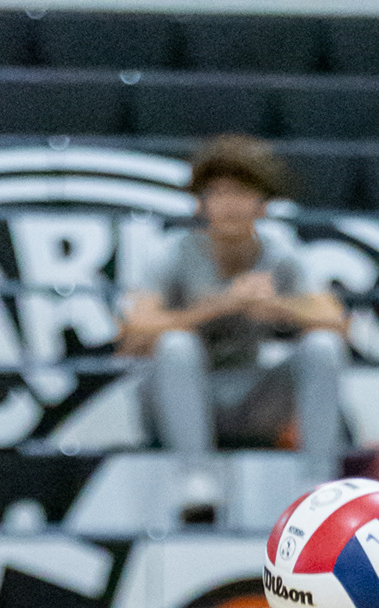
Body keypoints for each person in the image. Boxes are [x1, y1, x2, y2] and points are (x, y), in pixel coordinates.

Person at [119, 135, 348, 523]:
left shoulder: (281, 253)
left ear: (263, 204)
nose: (229, 205)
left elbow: (338, 324)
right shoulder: (172, 253)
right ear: (200, 202)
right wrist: (220, 304)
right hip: (183, 399)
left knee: (323, 347)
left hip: (253, 397)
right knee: (175, 345)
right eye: (218, 193)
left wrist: (278, 307)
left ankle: (316, 485)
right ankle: (194, 480)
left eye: (241, 193)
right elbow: (131, 335)